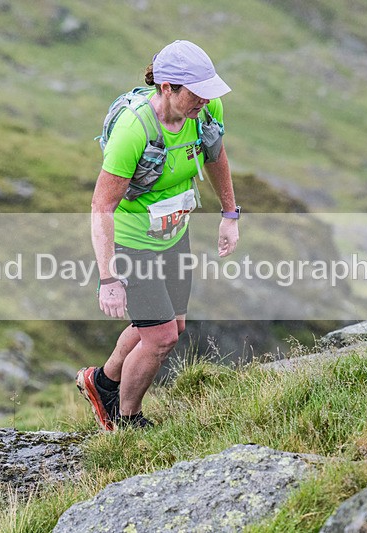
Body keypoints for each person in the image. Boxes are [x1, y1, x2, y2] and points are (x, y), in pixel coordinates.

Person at [76, 40, 240, 430]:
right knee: (161, 338)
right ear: (167, 87)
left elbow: (216, 157)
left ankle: (102, 382)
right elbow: (101, 207)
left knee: (174, 325)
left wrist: (230, 214)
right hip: (132, 244)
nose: (206, 100)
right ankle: (126, 422)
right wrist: (109, 278)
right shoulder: (133, 132)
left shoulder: (205, 109)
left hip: (173, 235)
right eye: (196, 93)